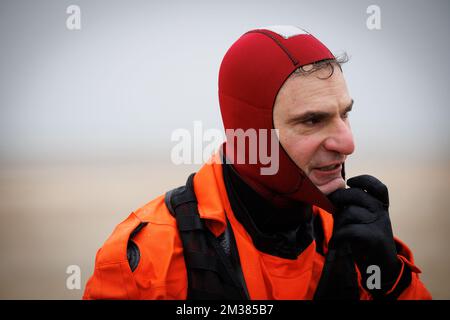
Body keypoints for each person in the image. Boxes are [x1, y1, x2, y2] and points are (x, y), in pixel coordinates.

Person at [83, 26, 431, 300]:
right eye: (312, 120)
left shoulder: (359, 241)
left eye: (345, 114)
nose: (348, 143)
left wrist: (389, 282)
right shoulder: (147, 256)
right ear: (252, 134)